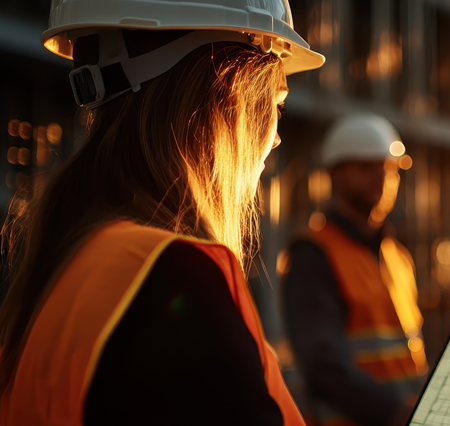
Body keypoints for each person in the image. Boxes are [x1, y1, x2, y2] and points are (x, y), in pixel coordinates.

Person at [0, 0, 324, 425]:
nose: (276, 138)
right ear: (229, 90)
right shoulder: (174, 276)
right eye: (275, 104)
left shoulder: (67, 262)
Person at [281, 115, 426, 426]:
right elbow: (323, 364)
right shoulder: (313, 253)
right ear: (336, 173)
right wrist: (394, 412)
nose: (382, 178)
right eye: (366, 166)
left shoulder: (398, 256)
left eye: (390, 168)